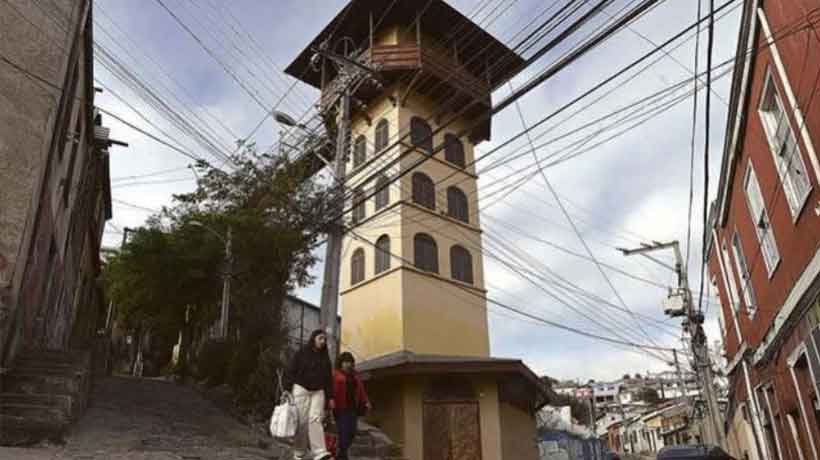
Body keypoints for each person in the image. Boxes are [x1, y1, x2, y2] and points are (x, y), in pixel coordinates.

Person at [285, 329, 334, 460]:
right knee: (301, 422)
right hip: (301, 389)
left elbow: (328, 379)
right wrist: (287, 388)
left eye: (324, 339)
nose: (323, 341)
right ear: (314, 339)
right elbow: (291, 369)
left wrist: (330, 397)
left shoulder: (325, 358)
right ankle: (299, 452)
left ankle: (319, 452)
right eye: (320, 338)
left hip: (318, 391)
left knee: (315, 419)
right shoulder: (302, 353)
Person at [332, 352, 371, 460]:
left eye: (350, 362)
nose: (348, 364)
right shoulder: (336, 375)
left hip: (353, 409)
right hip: (340, 409)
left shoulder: (355, 376)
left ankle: (340, 455)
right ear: (341, 363)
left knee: (352, 433)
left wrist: (366, 401)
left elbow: (361, 391)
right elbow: (331, 392)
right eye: (345, 362)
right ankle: (342, 456)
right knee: (344, 434)